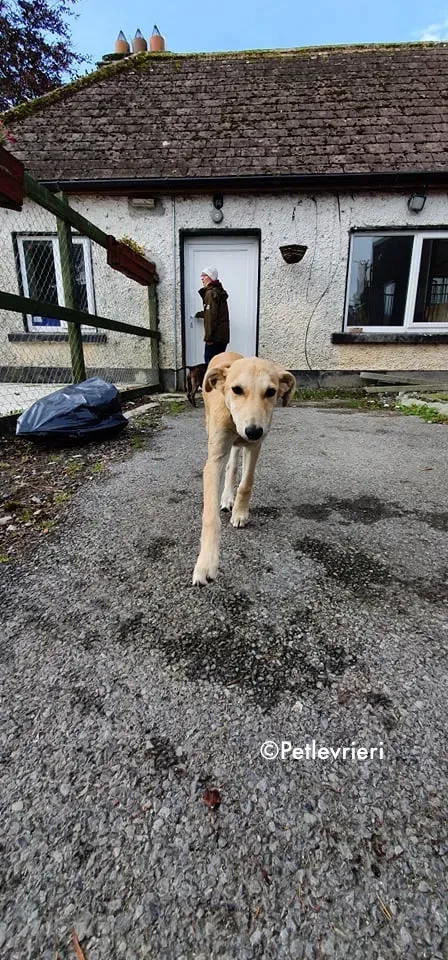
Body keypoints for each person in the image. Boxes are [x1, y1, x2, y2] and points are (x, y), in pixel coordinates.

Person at [195, 267, 230, 365]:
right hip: (221, 337)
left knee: (210, 364)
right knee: (219, 364)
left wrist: (209, 338)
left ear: (211, 277)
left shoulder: (211, 293)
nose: (202, 278)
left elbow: (211, 317)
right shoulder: (218, 291)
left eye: (204, 275)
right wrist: (200, 314)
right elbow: (214, 312)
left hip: (215, 338)